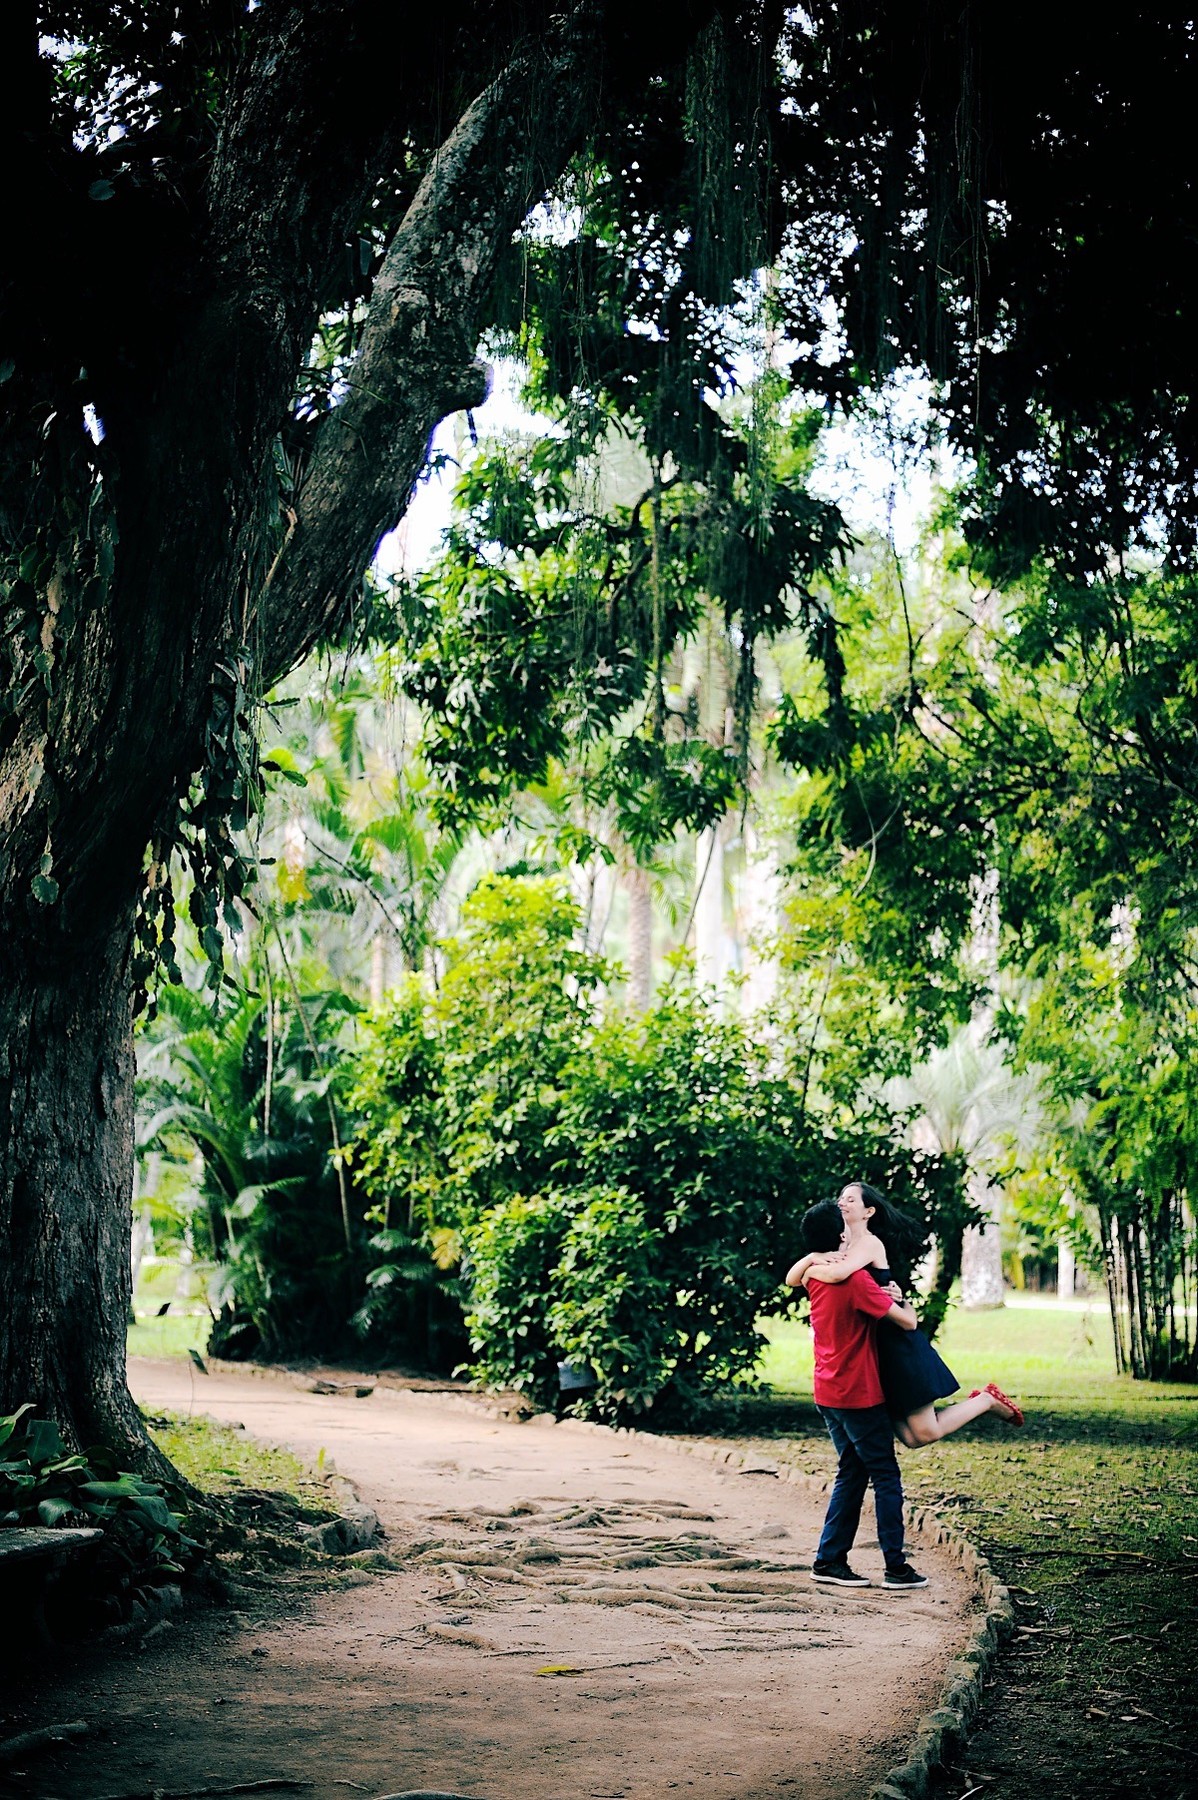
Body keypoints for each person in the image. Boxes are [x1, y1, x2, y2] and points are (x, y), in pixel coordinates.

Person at [787, 1181, 1025, 1446]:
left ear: (868, 1212)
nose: (842, 1202)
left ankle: (986, 1400)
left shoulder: (868, 1243)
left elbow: (837, 1274)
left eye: (851, 1199)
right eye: (841, 1197)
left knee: (926, 1432)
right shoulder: (839, 1246)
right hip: (868, 1351)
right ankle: (984, 1401)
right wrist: (812, 1259)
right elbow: (792, 1279)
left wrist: (811, 1268)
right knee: (912, 1439)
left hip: (895, 1340)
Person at [788, 1196, 928, 1589]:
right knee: (885, 1475)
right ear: (840, 1236)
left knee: (851, 1471)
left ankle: (829, 1560)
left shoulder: (813, 1273)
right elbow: (908, 1323)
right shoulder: (856, 1282)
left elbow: (795, 1276)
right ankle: (896, 1568)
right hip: (857, 1394)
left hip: (826, 1390)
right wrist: (900, 1299)